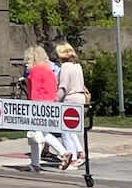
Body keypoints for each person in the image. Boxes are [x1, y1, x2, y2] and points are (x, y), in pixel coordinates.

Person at [23, 45, 67, 172]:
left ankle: (62, 152)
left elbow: (34, 90)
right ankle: (35, 163)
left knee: (37, 134)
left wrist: (31, 104)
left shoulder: (35, 70)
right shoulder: (49, 70)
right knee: (41, 133)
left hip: (39, 103)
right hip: (51, 103)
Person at [55, 42, 88, 170]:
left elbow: (63, 87)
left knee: (66, 131)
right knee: (74, 128)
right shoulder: (77, 66)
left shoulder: (65, 67)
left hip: (69, 98)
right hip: (80, 98)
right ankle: (79, 152)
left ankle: (73, 158)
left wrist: (56, 101)